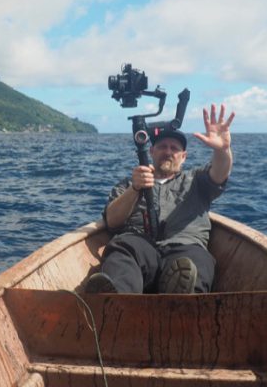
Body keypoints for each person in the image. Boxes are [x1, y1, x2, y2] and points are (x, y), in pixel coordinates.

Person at [86, 104, 235, 294]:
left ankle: (184, 306)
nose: (168, 151)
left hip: (185, 247)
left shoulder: (198, 180)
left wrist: (223, 150)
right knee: (123, 248)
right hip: (141, 248)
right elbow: (112, 221)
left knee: (196, 264)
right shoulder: (128, 184)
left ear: (183, 156)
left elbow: (220, 172)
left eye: (174, 148)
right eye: (162, 146)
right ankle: (115, 302)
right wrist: (135, 188)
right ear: (151, 152)